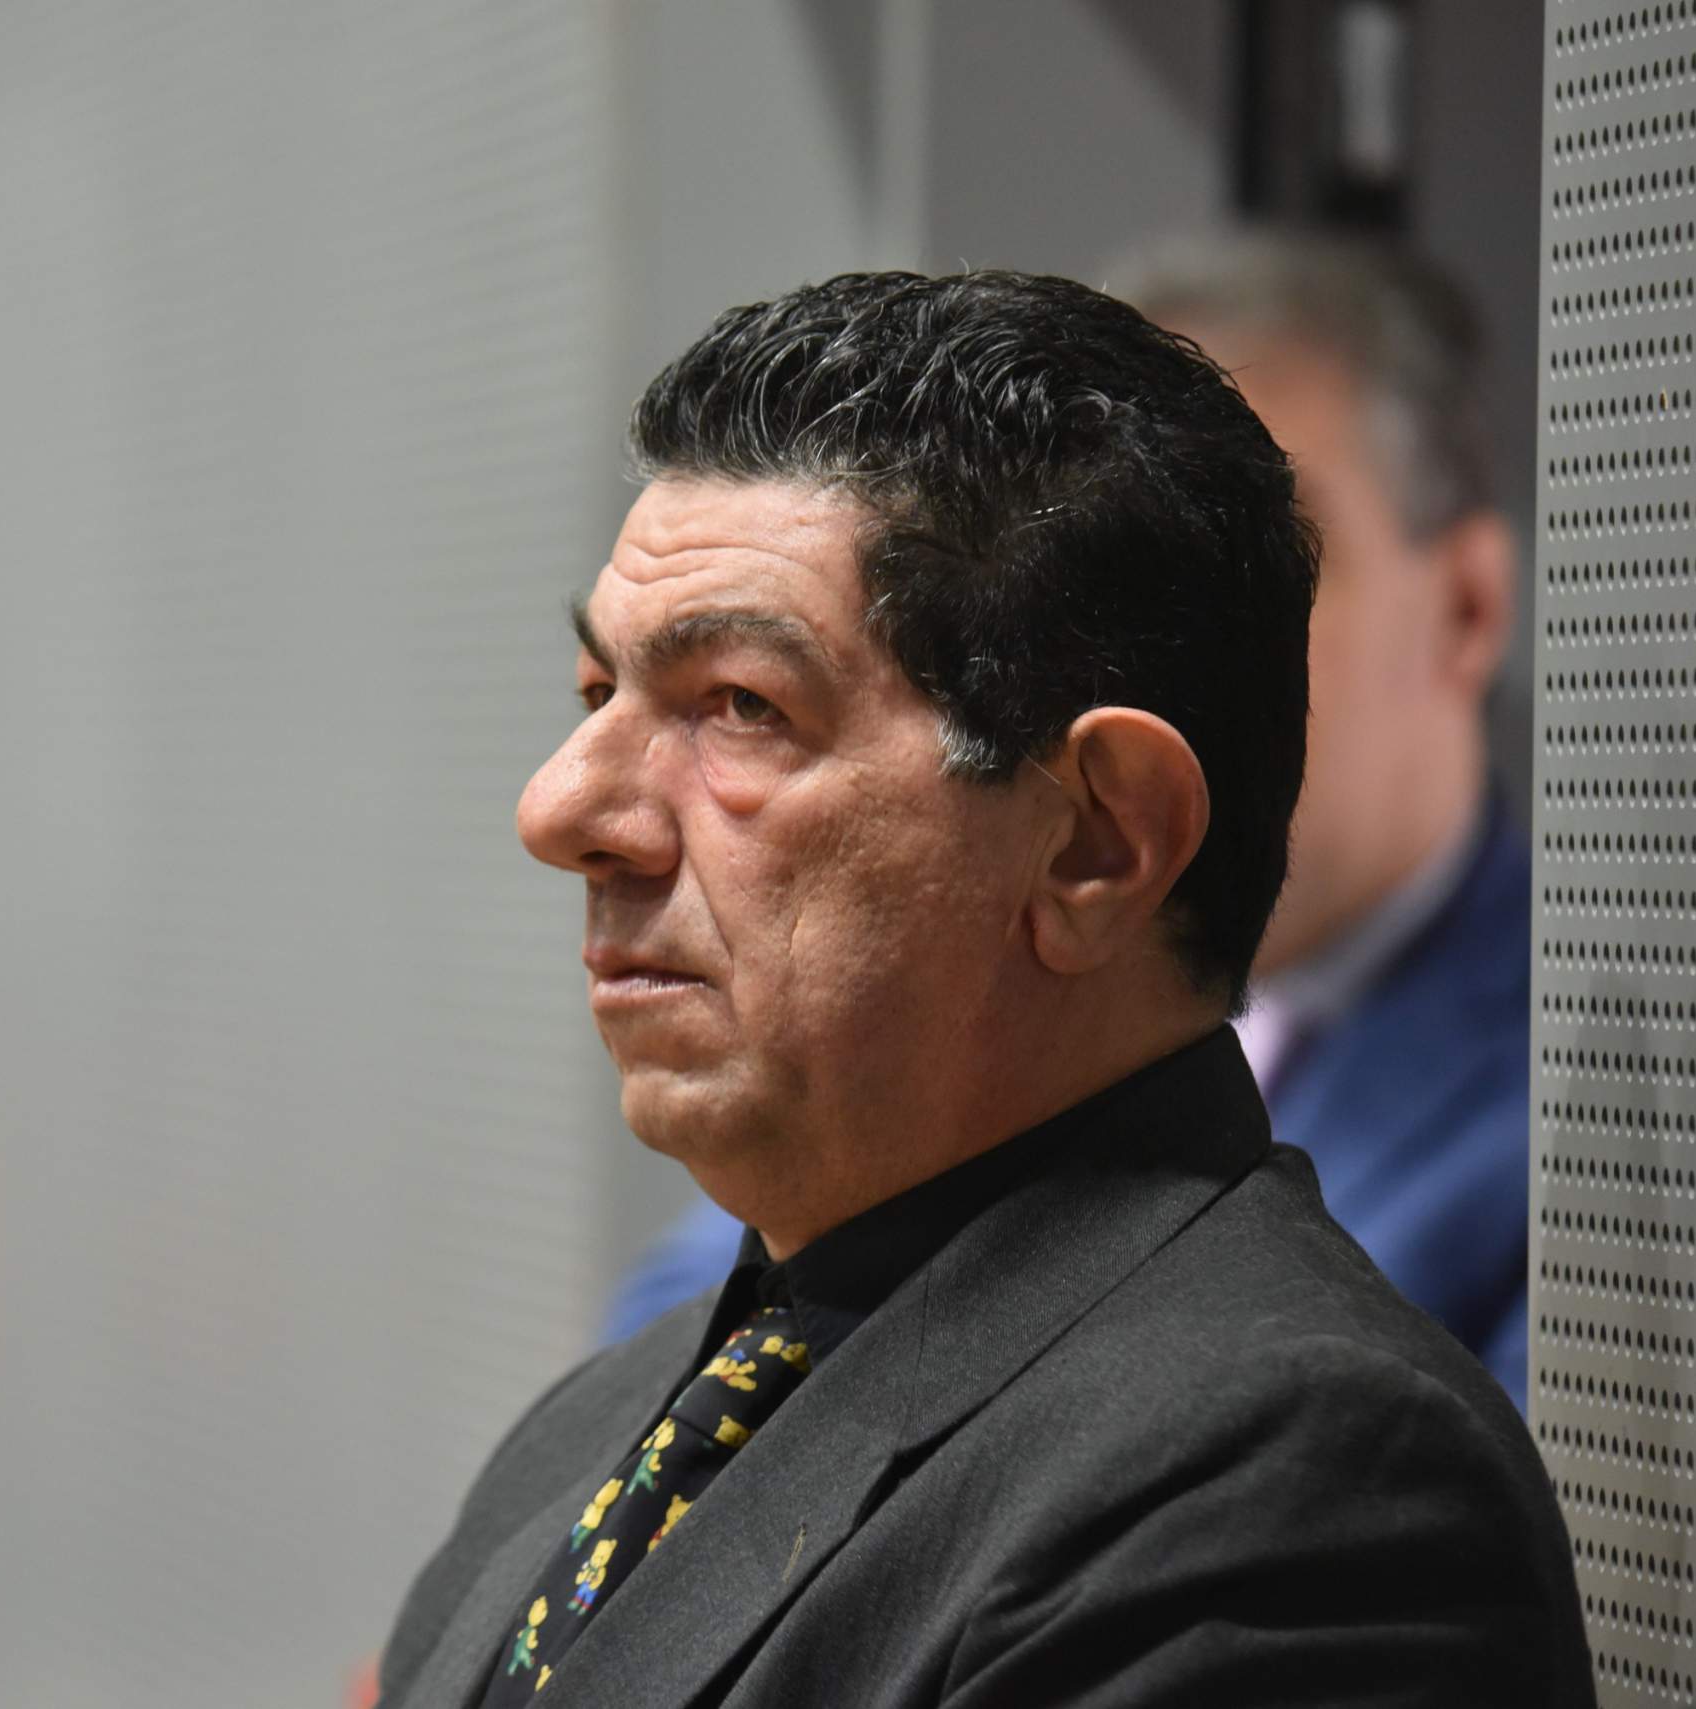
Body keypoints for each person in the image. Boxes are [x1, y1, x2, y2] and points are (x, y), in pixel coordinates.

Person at [377, 270, 1589, 1707]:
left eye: (740, 706)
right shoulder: (594, 1425)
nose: (562, 809)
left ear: (1095, 841)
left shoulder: (1294, 1490)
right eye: (600, 698)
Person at [598, 233, 1534, 1412]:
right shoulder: (923, 1030)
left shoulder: (1577, 1118)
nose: (1160, 658)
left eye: (1275, 577)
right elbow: (677, 1362)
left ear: (1467, 606)